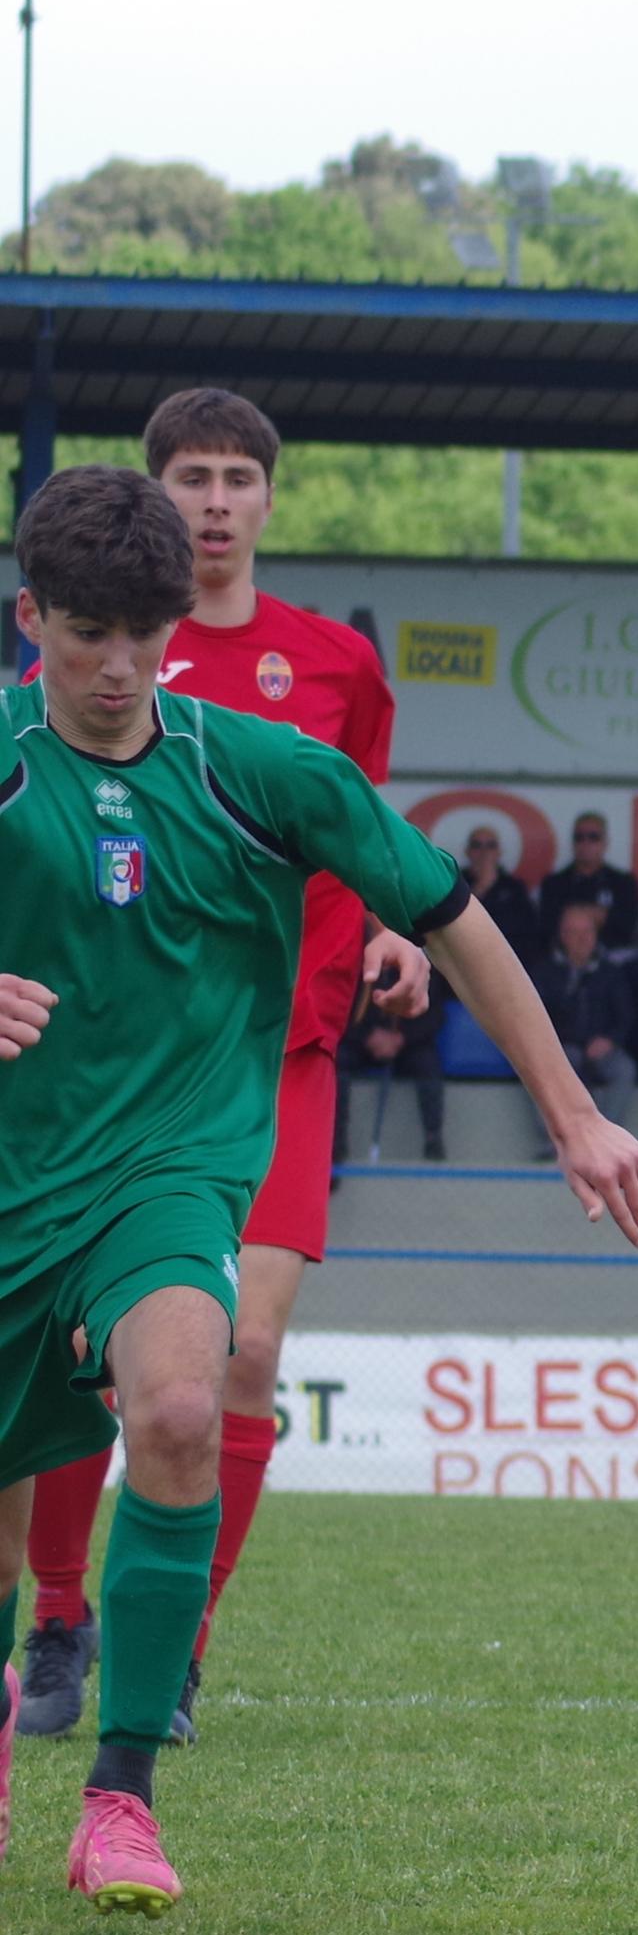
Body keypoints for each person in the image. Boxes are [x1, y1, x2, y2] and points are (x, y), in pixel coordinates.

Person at [0, 464, 638, 1904]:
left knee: (183, 1401)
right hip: (8, 1173)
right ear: (29, 616)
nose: (117, 669)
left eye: (145, 635)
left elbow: (458, 919)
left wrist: (572, 1115)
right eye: (84, 635)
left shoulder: (264, 770)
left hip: (166, 1173)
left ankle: (120, 1797)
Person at [14, 390, 428, 1751]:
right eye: (189, 473)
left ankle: (173, 1646)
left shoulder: (331, 665)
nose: (213, 497)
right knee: (87, 1361)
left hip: (276, 1051)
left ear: (265, 500)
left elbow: (359, 820)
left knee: (230, 1355)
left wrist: (385, 926)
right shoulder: (72, 680)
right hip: (86, 1069)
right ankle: (62, 1610)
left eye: (237, 475)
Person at [534, 899, 637, 1149]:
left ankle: (607, 1141)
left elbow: (625, 1017)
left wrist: (610, 1040)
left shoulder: (611, 972)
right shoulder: (545, 973)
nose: (582, 939)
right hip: (561, 1049)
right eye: (575, 932)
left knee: (625, 1069)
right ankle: (557, 1142)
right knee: (544, 1065)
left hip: (601, 1048)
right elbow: (535, 1018)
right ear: (563, 936)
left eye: (587, 932)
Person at [340, 961, 445, 1165]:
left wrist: (402, 1038)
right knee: (337, 1062)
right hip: (361, 1042)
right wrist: (367, 1036)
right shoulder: (355, 958)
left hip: (406, 1043)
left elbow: (435, 1016)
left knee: (427, 1062)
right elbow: (337, 1008)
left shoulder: (421, 963)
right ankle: (336, 1147)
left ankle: (434, 1141)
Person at [535, 810, 638, 953]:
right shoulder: (554, 883)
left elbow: (630, 926)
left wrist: (600, 917)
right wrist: (590, 916)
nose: (586, 843)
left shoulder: (624, 882)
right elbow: (547, 927)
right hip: (565, 960)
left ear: (605, 843)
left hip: (614, 958)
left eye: (593, 837)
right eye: (579, 837)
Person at [445, 826, 542, 975]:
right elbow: (448, 924)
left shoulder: (514, 888)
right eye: (477, 845)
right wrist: (479, 891)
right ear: (468, 852)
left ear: (499, 852)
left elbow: (528, 934)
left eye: (490, 846)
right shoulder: (455, 883)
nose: (484, 852)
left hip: (506, 966)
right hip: (461, 965)